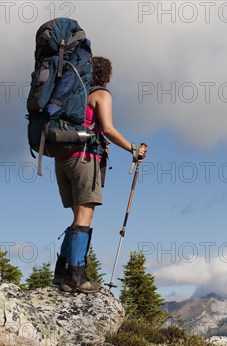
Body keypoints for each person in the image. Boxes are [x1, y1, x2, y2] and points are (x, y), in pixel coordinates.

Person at [52, 56, 147, 294]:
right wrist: (133, 149)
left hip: (62, 159)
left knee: (77, 217)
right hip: (85, 160)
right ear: (107, 76)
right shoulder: (101, 94)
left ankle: (61, 273)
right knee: (85, 217)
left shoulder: (70, 93)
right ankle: (76, 276)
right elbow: (107, 128)